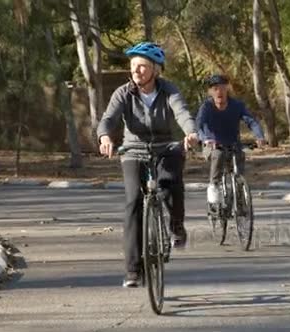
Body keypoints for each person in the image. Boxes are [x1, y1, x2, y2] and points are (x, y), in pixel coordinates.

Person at [97, 42, 199, 287]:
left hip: (166, 148)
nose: (136, 71)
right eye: (133, 66)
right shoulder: (123, 93)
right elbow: (108, 118)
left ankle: (176, 228)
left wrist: (191, 133)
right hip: (133, 151)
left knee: (170, 184)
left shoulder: (169, 90)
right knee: (133, 202)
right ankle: (133, 271)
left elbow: (182, 113)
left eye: (142, 67)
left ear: (155, 70)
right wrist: (105, 136)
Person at [195, 74, 266, 205]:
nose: (219, 92)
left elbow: (251, 121)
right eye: (215, 88)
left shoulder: (237, 105)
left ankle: (240, 196)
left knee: (239, 161)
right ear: (210, 91)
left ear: (227, 89)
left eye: (222, 88)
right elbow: (198, 125)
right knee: (218, 154)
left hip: (233, 145)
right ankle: (214, 185)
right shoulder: (206, 107)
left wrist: (259, 136)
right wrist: (205, 139)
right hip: (212, 145)